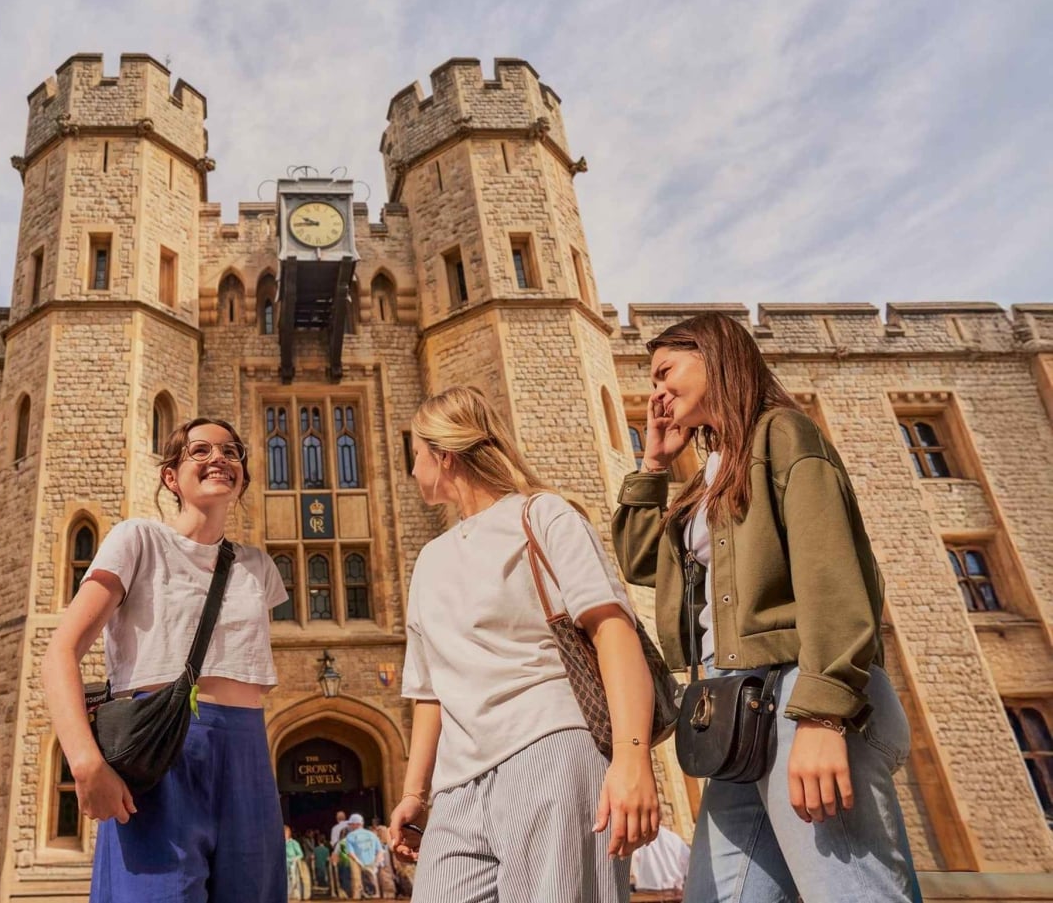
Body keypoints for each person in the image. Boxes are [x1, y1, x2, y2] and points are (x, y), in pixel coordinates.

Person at [612, 313, 922, 902]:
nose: (656, 393)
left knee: (853, 892)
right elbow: (645, 563)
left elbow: (832, 574)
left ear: (714, 356)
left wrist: (822, 717)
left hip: (797, 695)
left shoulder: (782, 434)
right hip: (737, 714)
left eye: (665, 372)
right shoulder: (709, 474)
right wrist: (652, 467)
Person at [388, 386, 659, 903]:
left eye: (416, 453)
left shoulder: (544, 516)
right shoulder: (430, 560)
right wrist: (414, 793)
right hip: (458, 784)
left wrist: (631, 759)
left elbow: (612, 631)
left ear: (444, 455)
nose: (412, 468)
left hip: (551, 751)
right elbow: (428, 692)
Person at [41, 417, 290, 903]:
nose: (218, 458)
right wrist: (86, 763)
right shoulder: (137, 540)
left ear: (241, 477)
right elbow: (59, 653)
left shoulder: (258, 567)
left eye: (231, 452)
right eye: (200, 450)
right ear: (171, 477)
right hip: (160, 749)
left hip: (246, 754)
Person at [342, 814, 382, 898]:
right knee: (374, 890)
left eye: (351, 824)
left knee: (358, 890)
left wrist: (359, 863)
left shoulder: (350, 836)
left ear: (355, 824)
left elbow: (351, 853)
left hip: (358, 865)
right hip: (372, 864)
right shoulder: (372, 834)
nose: (350, 826)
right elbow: (380, 851)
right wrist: (376, 864)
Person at [286, 824, 307, 899]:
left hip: (292, 865)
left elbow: (301, 854)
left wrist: (294, 859)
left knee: (292, 878)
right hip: (283, 866)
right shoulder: (279, 843)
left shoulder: (294, 843)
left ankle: (291, 894)